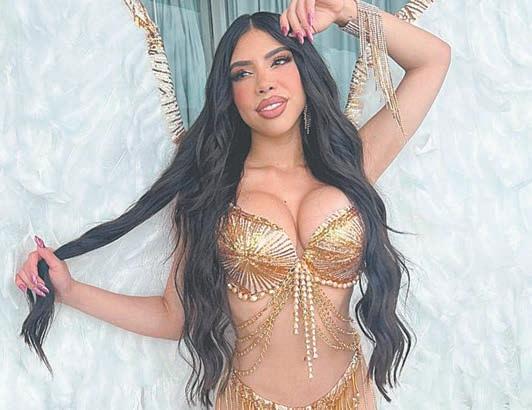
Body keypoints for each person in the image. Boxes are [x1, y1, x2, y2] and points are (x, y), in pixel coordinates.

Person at [13, 0, 451, 408]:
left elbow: (432, 60)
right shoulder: (211, 194)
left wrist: (345, 12)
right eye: (243, 73)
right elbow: (173, 317)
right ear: (229, 93)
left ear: (305, 68)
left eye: (279, 61)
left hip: (351, 397)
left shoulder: (353, 165)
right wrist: (72, 291)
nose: (265, 83)